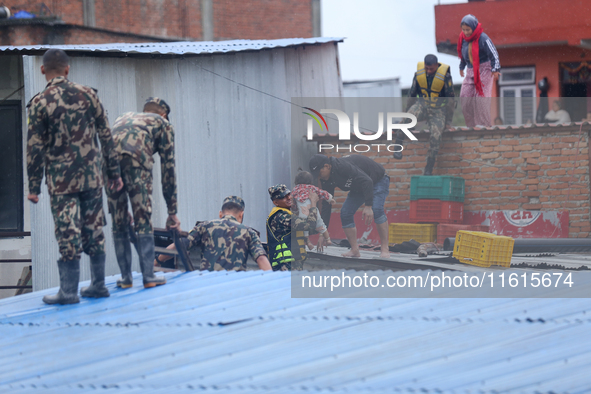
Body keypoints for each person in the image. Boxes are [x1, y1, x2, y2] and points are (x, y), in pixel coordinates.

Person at [26, 49, 123, 305]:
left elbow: (34, 147)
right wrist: (113, 172)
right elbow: (106, 136)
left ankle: (68, 292)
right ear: (68, 69)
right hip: (92, 177)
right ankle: (99, 285)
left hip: (61, 182)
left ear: (42, 70)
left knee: (67, 232)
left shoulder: (39, 102)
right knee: (94, 229)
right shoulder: (89, 95)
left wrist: (33, 187)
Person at [107, 97, 180, 289]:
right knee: (142, 217)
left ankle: (125, 278)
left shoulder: (124, 117)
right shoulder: (163, 123)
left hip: (108, 164)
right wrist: (172, 212)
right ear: (164, 114)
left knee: (119, 220)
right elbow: (168, 170)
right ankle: (148, 276)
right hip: (136, 162)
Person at [309, 154, 390, 259]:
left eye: (320, 173)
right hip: (359, 187)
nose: (320, 177)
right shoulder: (326, 179)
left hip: (377, 180)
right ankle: (354, 250)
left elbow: (367, 181)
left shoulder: (342, 166)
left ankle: (384, 248)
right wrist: (322, 233)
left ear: (327, 166)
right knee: (345, 213)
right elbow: (326, 205)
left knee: (377, 209)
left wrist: (368, 206)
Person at [160, 196, 272, 271]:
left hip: (208, 285)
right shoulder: (249, 232)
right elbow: (261, 259)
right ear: (241, 214)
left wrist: (157, 261)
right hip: (235, 287)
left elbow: (180, 244)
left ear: (220, 214)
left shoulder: (204, 226)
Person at [394, 54, 455, 175]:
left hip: (438, 109)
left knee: (436, 136)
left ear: (437, 66)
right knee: (408, 118)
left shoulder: (445, 77)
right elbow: (411, 94)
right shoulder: (419, 75)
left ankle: (429, 167)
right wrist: (407, 114)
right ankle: (398, 144)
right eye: (426, 68)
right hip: (422, 105)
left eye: (431, 69)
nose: (428, 71)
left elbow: (451, 100)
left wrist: (448, 121)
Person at [458, 14, 501, 127]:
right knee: (465, 97)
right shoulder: (463, 39)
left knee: (481, 99)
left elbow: (494, 54)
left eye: (468, 29)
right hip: (471, 70)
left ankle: (483, 126)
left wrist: (495, 69)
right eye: (464, 30)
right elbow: (464, 54)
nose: (466, 32)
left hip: (485, 69)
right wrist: (461, 67)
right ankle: (471, 126)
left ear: (474, 27)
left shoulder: (483, 38)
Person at [267, 184, 320, 271]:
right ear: (276, 202)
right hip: (285, 266)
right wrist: (313, 203)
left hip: (292, 264)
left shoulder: (287, 214)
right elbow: (310, 225)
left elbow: (311, 230)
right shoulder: (281, 216)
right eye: (283, 197)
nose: (289, 198)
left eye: (288, 194)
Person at [292, 170, 335, 251]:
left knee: (304, 230)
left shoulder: (295, 190)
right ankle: (328, 239)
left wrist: (295, 209)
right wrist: (330, 199)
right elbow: (322, 193)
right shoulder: (312, 188)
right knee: (322, 225)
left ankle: (308, 243)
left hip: (302, 212)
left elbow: (293, 203)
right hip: (313, 211)